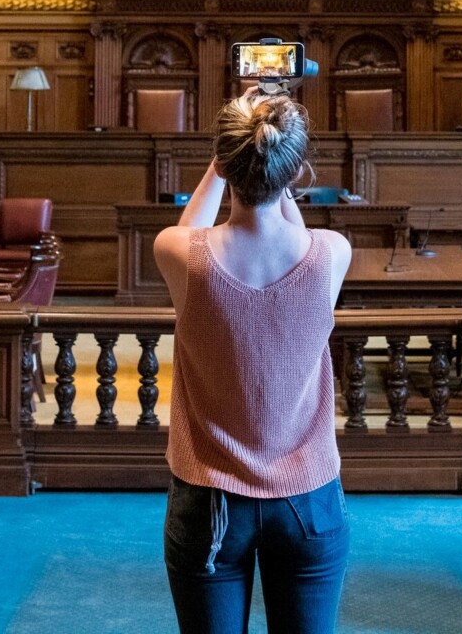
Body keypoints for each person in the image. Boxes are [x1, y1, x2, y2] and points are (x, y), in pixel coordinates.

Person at [153, 93, 354, 634]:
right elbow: (294, 231)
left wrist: (223, 164)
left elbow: (187, 228)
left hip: (210, 500)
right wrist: (268, 162)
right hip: (307, 500)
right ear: (294, 169)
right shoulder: (332, 251)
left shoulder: (180, 254)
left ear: (224, 161)